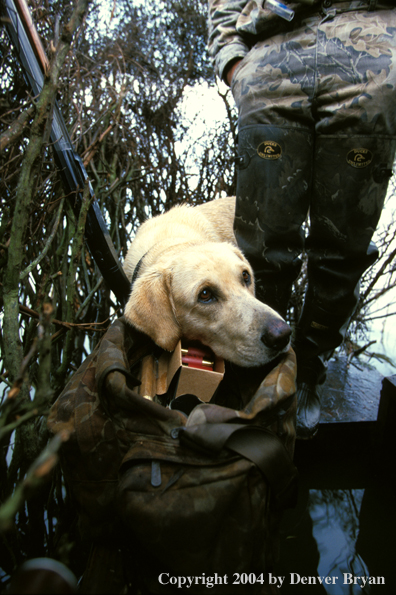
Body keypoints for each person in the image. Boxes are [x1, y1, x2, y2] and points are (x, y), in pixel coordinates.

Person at [208, 0, 396, 438]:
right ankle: (260, 362)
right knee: (261, 244)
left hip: (372, 49)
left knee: (343, 246)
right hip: (274, 53)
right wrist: (233, 61)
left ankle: (306, 368)